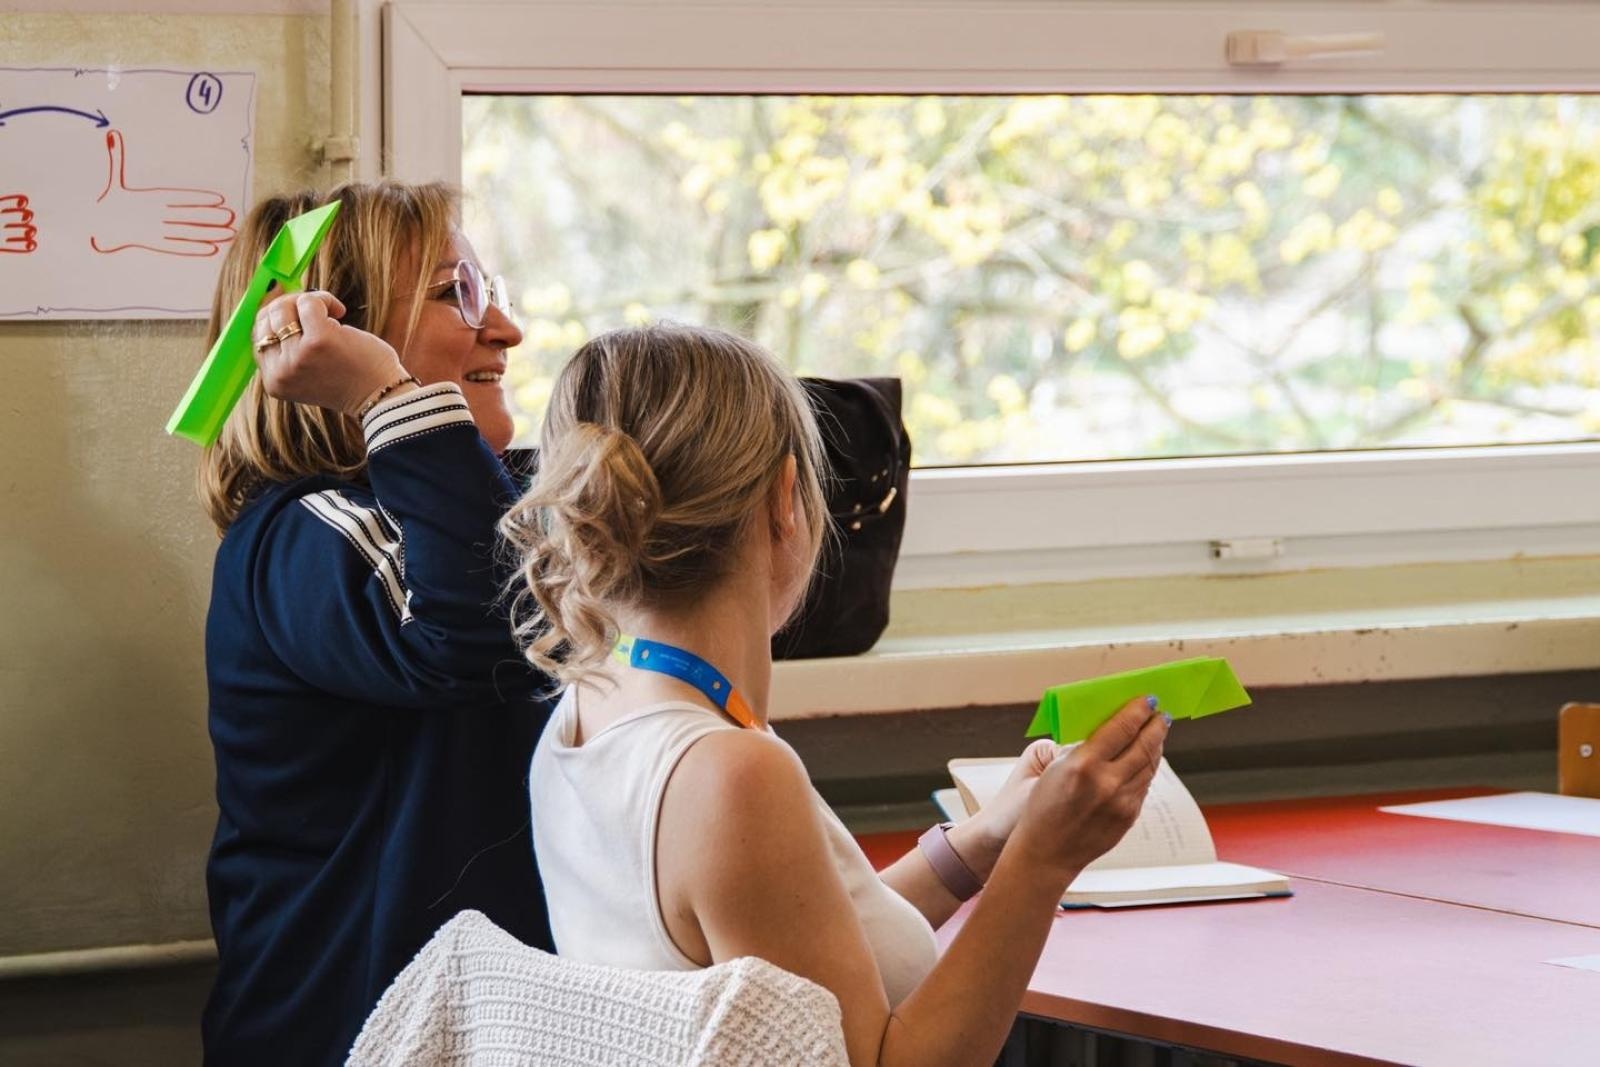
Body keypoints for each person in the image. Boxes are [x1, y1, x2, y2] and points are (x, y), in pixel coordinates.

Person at [501, 322, 1171, 1066]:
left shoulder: (591, 710)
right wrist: (1041, 862)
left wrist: (979, 846)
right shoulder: (728, 774)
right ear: (786, 500)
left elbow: (807, 951)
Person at [197, 181, 552, 1066]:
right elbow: (486, 632)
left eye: (491, 291)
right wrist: (390, 395)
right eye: (453, 294)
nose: (504, 331)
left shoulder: (470, 507)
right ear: (337, 344)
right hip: (349, 1035)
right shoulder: (305, 532)